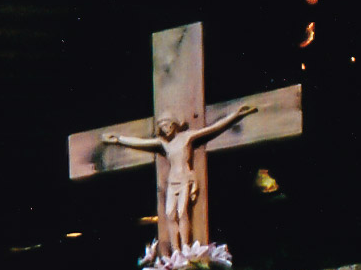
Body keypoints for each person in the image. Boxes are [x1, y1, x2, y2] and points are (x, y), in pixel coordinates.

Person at [102, 103, 257, 247]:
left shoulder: (187, 137)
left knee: (182, 212)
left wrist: (236, 115)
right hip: (172, 181)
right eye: (162, 127)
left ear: (174, 124)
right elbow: (141, 143)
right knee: (170, 214)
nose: (165, 129)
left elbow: (212, 129)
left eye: (167, 125)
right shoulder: (164, 143)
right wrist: (119, 140)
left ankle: (185, 247)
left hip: (185, 178)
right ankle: (176, 251)